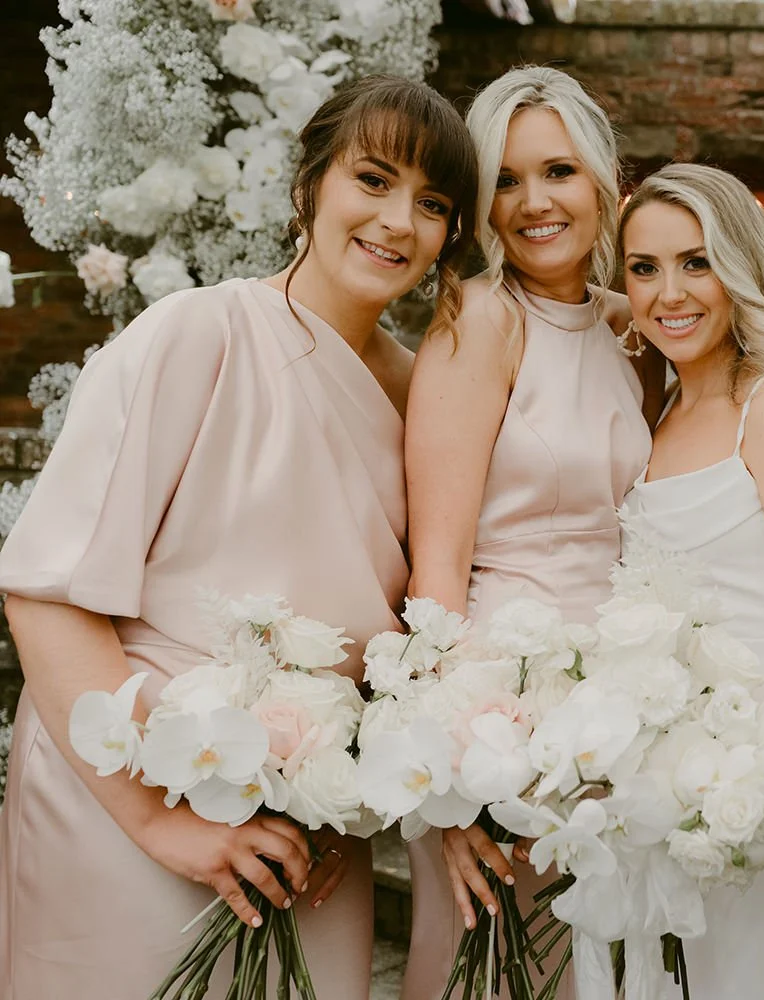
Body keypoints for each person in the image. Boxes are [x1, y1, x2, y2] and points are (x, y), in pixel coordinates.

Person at [0, 75, 477, 999]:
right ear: (310, 186)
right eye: (372, 180)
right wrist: (162, 823)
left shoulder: (432, 398)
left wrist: (346, 785)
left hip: (310, 832)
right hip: (127, 792)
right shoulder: (196, 333)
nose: (396, 222)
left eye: (432, 204)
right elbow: (44, 592)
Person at [400, 65, 662, 1000]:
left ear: (603, 183)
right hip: (500, 709)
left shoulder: (638, 331)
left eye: (558, 171)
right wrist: (450, 783)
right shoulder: (480, 320)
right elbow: (435, 567)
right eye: (505, 180)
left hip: (629, 709)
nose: (534, 202)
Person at [615, 162, 764, 998]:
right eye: (643, 268)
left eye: (695, 262)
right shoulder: (660, 412)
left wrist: (760, 773)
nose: (668, 292)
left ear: (739, 268)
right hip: (677, 774)